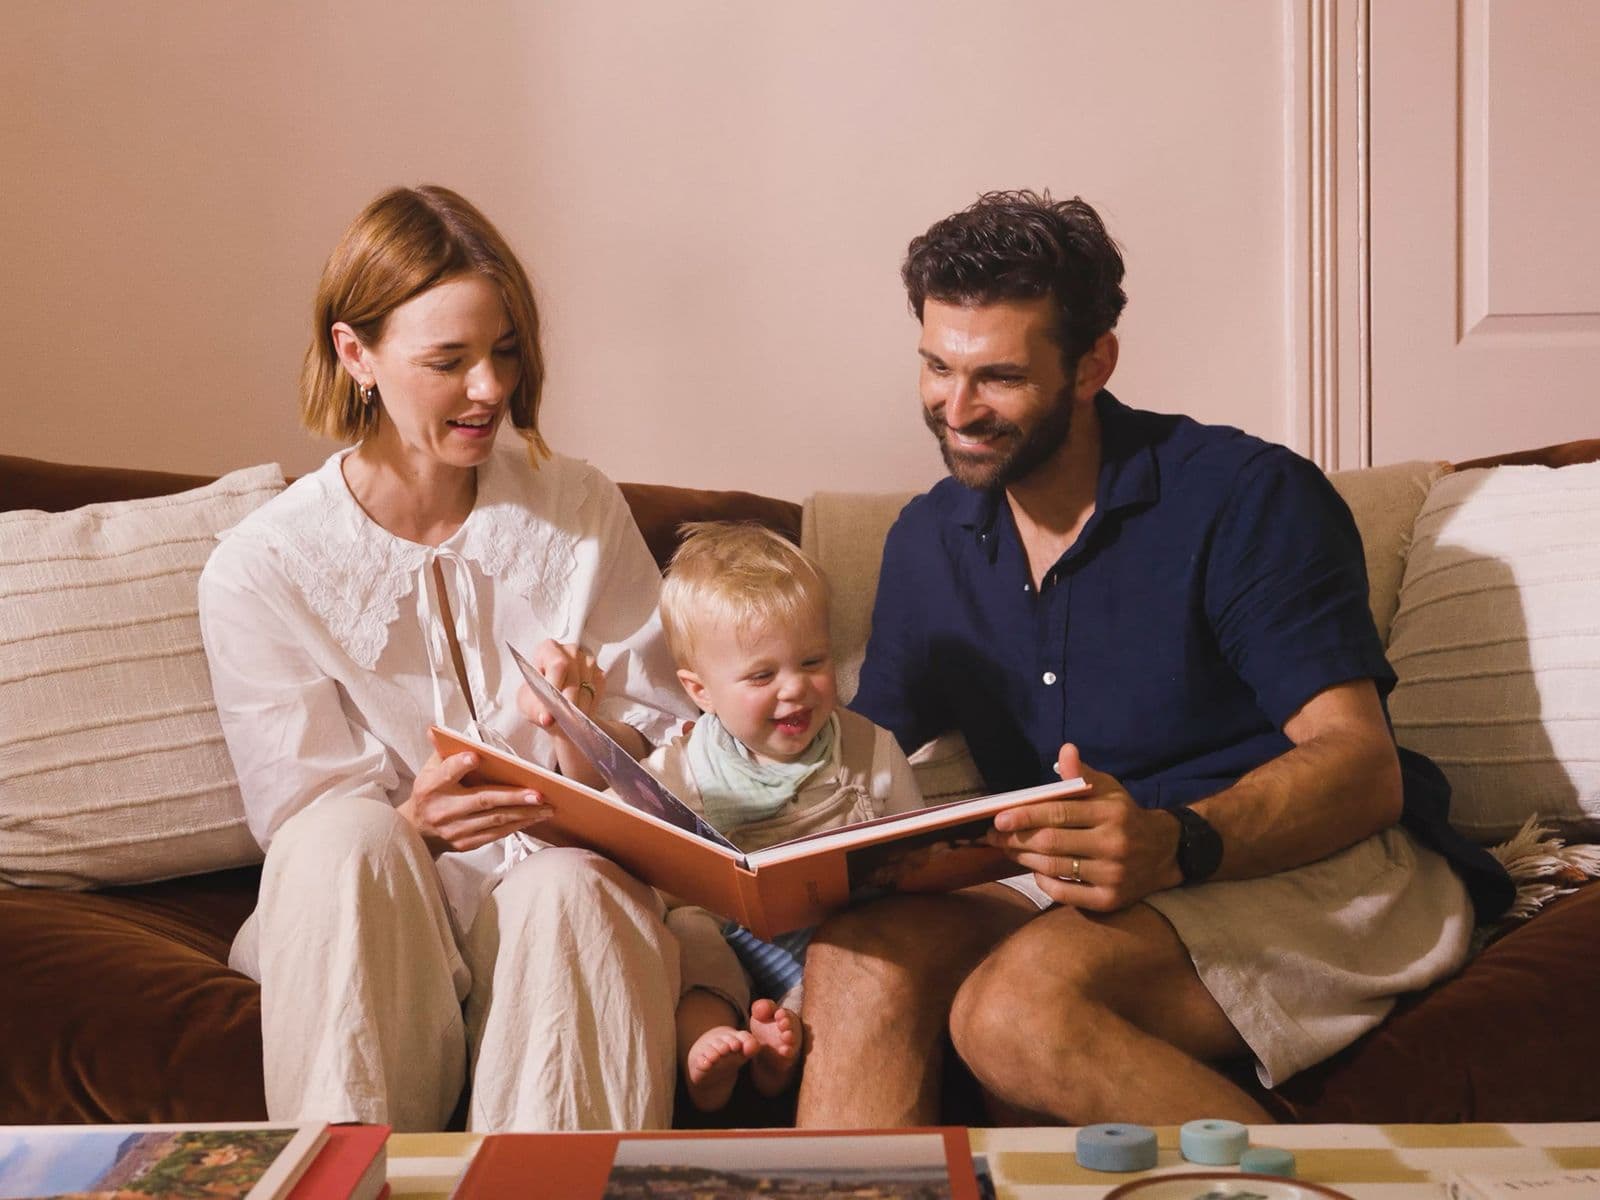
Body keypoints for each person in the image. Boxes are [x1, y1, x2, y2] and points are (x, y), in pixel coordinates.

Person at [795, 190, 1514, 1127]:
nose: (956, 408)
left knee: (1015, 1012)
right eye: (937, 365)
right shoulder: (928, 539)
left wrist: (1176, 843)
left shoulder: (1244, 497)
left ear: (1093, 364)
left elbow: (1362, 769)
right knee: (859, 962)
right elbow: (859, 754)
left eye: (999, 377)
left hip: (1303, 864)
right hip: (1076, 883)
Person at [198, 185, 695, 1132]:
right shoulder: (260, 568)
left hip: (561, 887)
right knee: (350, 839)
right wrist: (414, 824)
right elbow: (302, 827)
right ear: (358, 355)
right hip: (374, 912)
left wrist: (588, 743)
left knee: (573, 892)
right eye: (449, 361)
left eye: (505, 351)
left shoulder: (580, 507)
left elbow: (675, 766)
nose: (491, 390)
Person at [643, 522, 923, 1112]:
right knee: (691, 935)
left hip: (828, 939)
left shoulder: (870, 748)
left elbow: (918, 850)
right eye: (762, 676)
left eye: (813, 661)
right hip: (727, 935)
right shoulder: (679, 768)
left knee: (844, 958)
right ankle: (709, 1049)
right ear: (701, 690)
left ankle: (778, 1047)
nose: (796, 689)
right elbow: (644, 860)